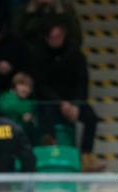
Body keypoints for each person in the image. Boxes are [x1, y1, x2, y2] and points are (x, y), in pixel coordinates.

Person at [28, 21, 103, 171]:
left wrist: (75, 103)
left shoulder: (75, 53)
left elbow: (82, 81)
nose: (57, 39)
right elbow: (41, 85)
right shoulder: (38, 54)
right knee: (43, 115)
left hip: (73, 101)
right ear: (46, 38)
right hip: (49, 102)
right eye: (53, 37)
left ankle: (85, 155)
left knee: (91, 117)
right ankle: (49, 154)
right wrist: (60, 103)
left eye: (59, 36)